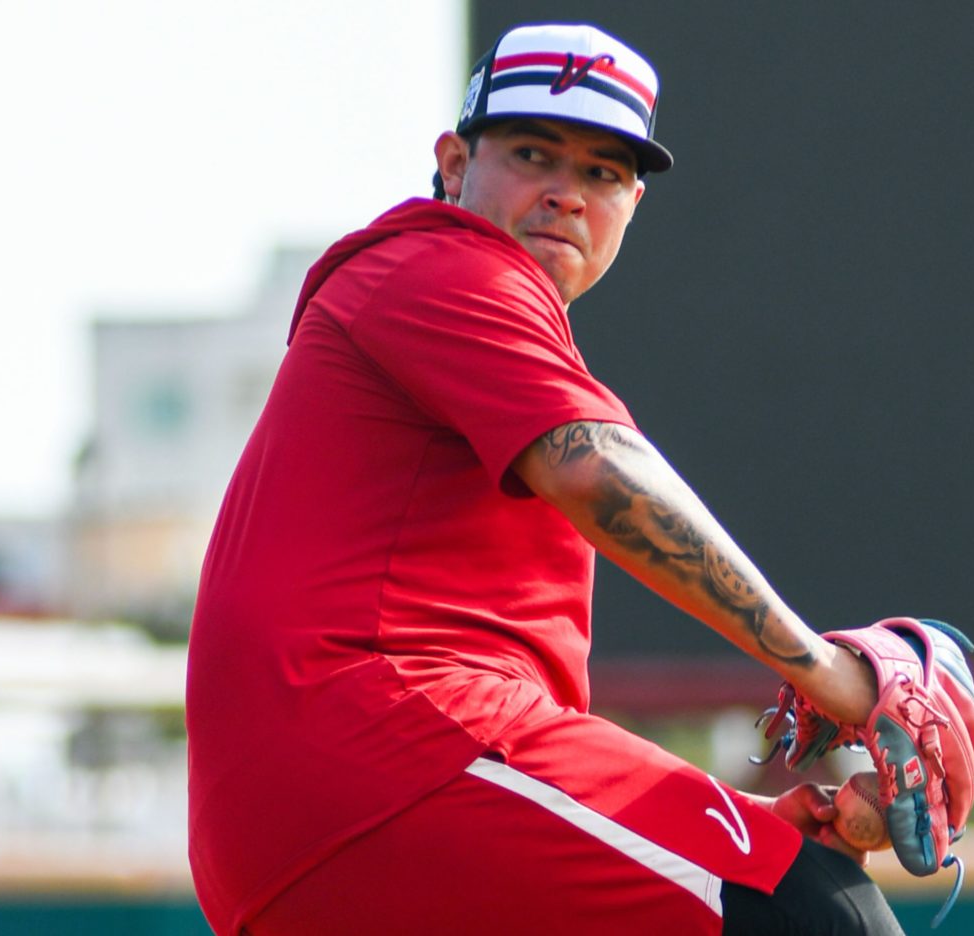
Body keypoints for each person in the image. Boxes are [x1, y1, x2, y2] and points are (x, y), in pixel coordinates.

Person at [186, 22, 905, 935]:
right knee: (817, 910)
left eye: (602, 172)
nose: (567, 191)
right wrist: (830, 674)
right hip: (381, 749)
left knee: (763, 877)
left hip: (341, 810)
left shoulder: (457, 311)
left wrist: (739, 825)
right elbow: (599, 471)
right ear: (453, 166)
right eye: (533, 154)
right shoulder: (443, 263)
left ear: (632, 204)